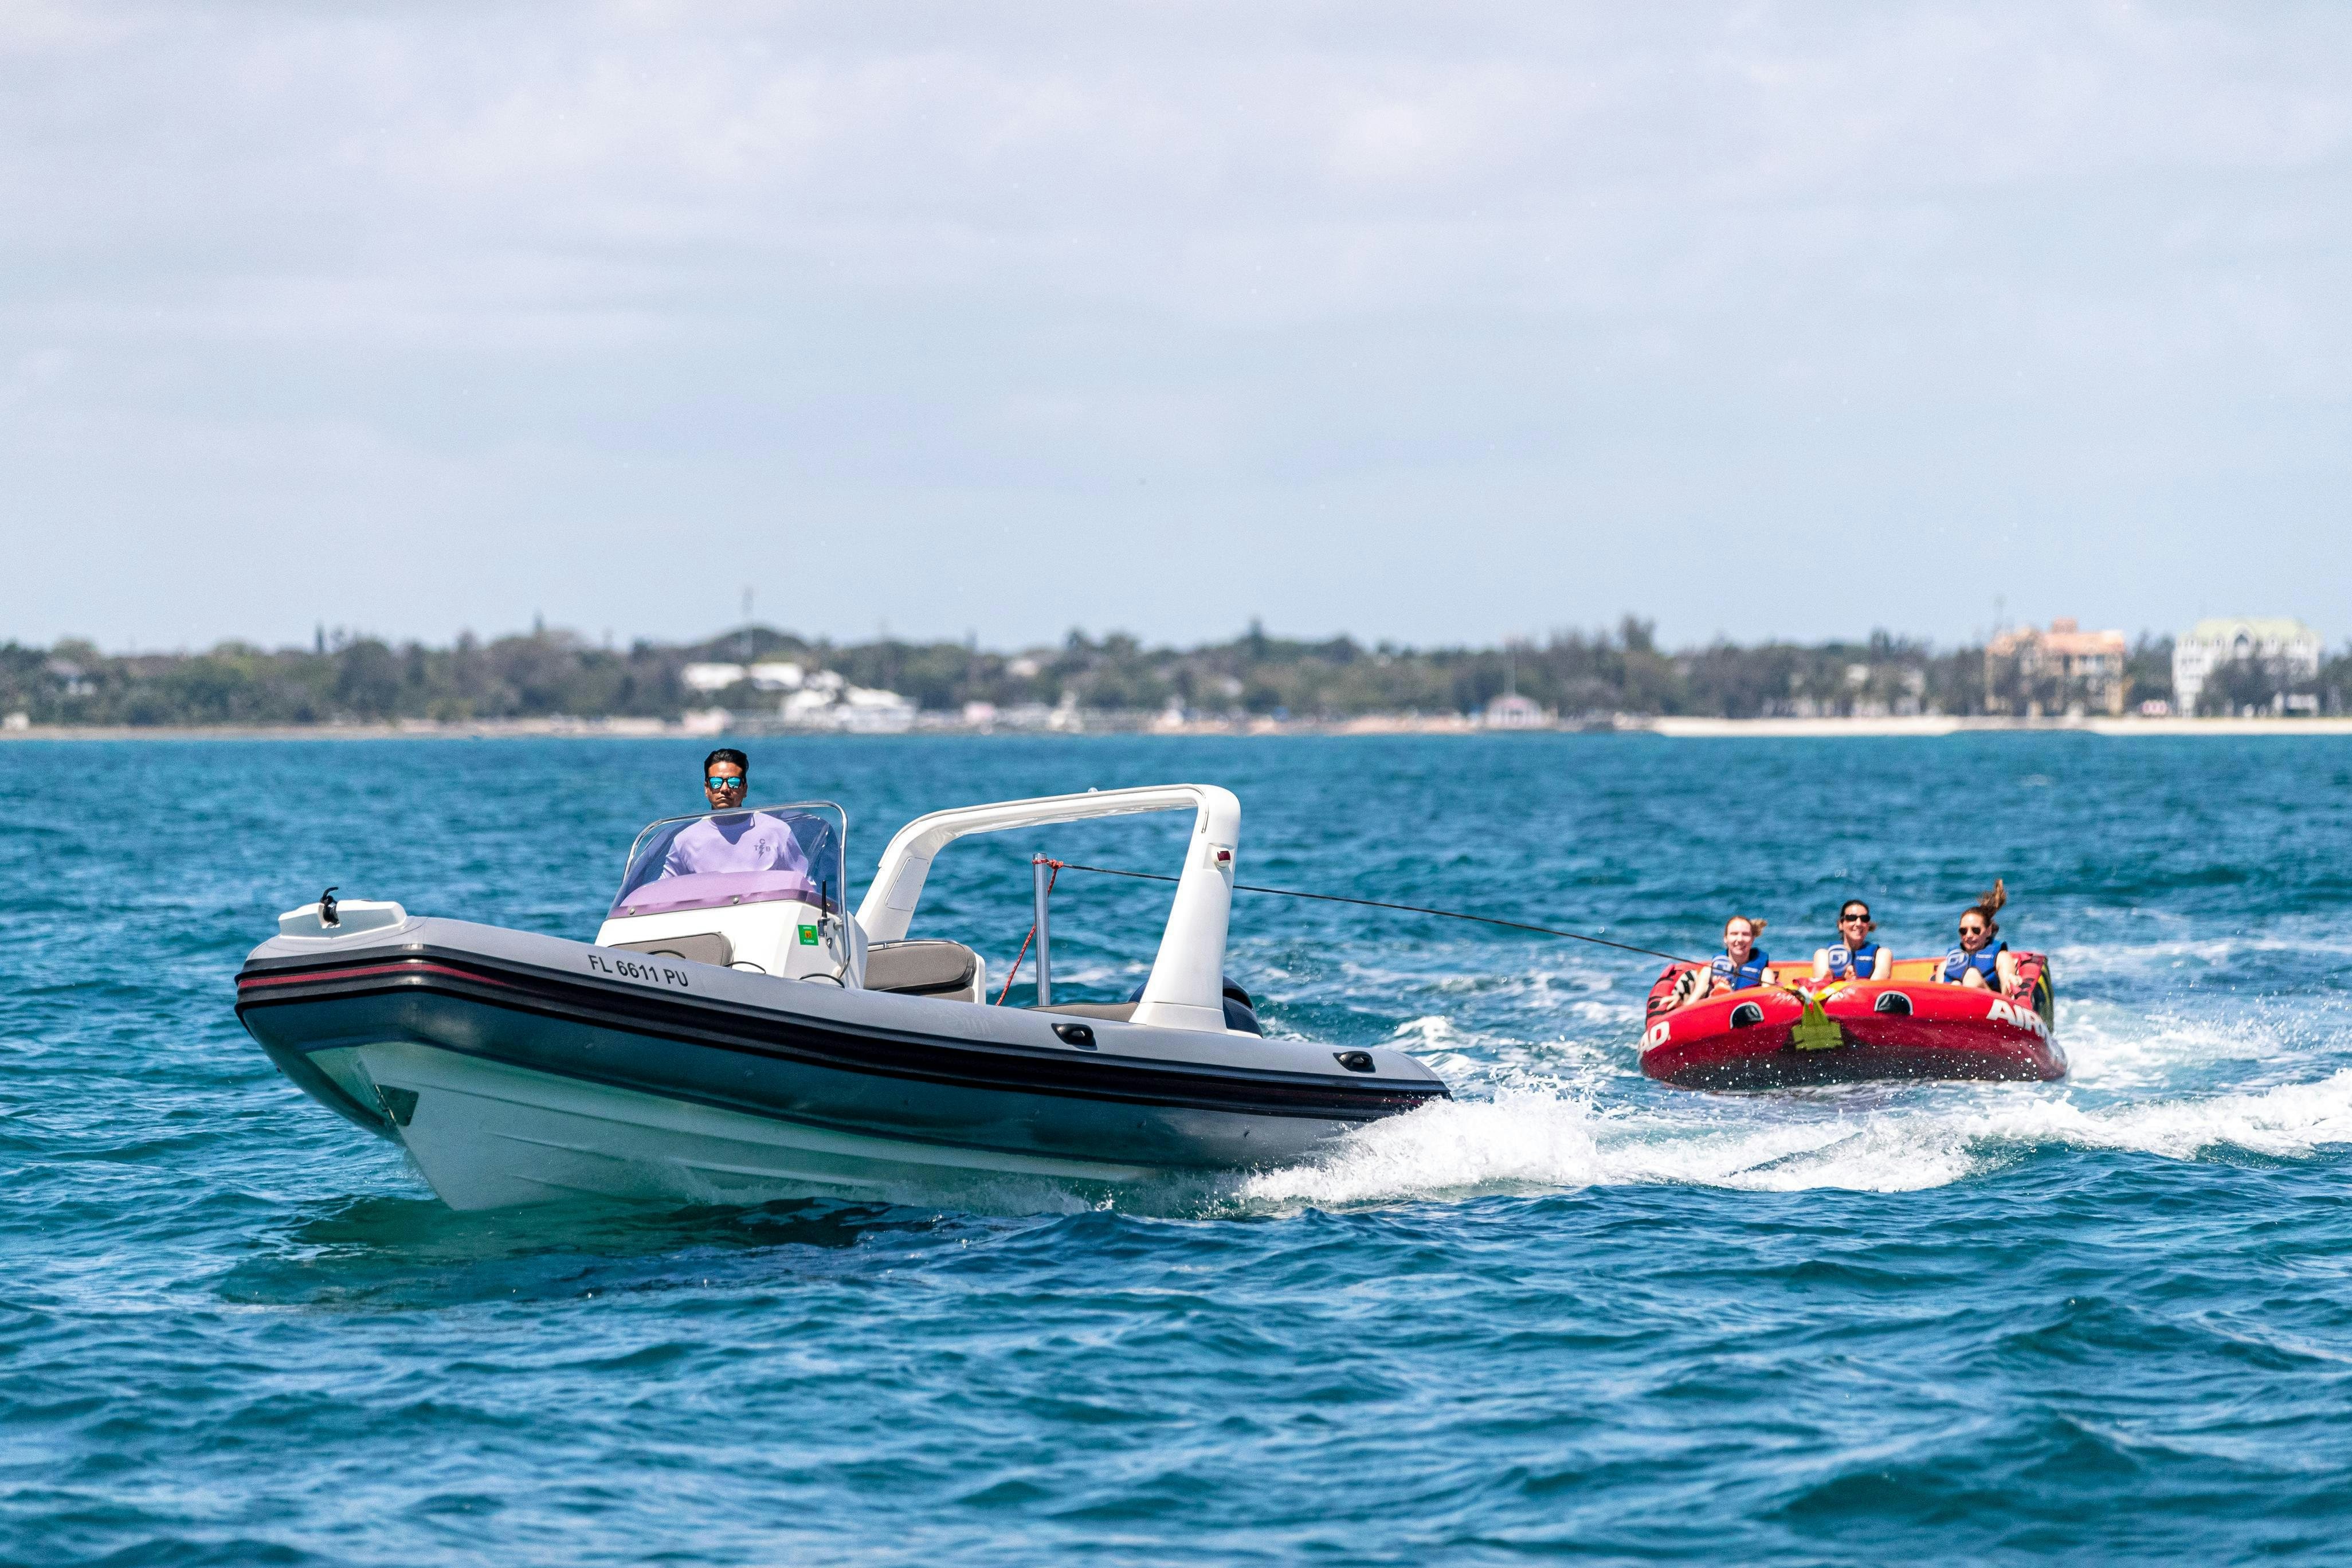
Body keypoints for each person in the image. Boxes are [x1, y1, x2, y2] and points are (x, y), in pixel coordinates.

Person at [657, 748, 812, 882]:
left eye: (733, 782)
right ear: (707, 789)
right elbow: (661, 893)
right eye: (716, 782)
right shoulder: (685, 841)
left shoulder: (778, 832)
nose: (725, 789)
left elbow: (806, 886)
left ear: (745, 789)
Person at [1672, 916, 1775, 1009]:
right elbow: (1689, 1007)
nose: (1740, 939)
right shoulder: (1709, 971)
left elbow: (1769, 1007)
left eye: (1746, 934)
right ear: (1726, 938)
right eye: (1734, 934)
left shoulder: (1765, 974)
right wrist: (1679, 1004)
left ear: (1753, 939)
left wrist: (1730, 997)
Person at [1937, 880, 2019, 992]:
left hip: (1990, 1005)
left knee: (1972, 976)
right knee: (1955, 984)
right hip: (1953, 1003)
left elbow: (2007, 994)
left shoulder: (2001, 958)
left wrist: (2011, 983)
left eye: (1976, 930)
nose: (1969, 935)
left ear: (1989, 931)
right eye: (1963, 931)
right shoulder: (1945, 966)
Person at [1812, 900, 1888, 982]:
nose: (1859, 923)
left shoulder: (1882, 954)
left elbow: (1876, 988)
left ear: (1868, 925)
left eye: (1864, 919)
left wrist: (1851, 983)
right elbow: (1820, 990)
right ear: (1841, 924)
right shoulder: (1824, 955)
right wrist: (1845, 981)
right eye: (1851, 918)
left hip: (1866, 994)